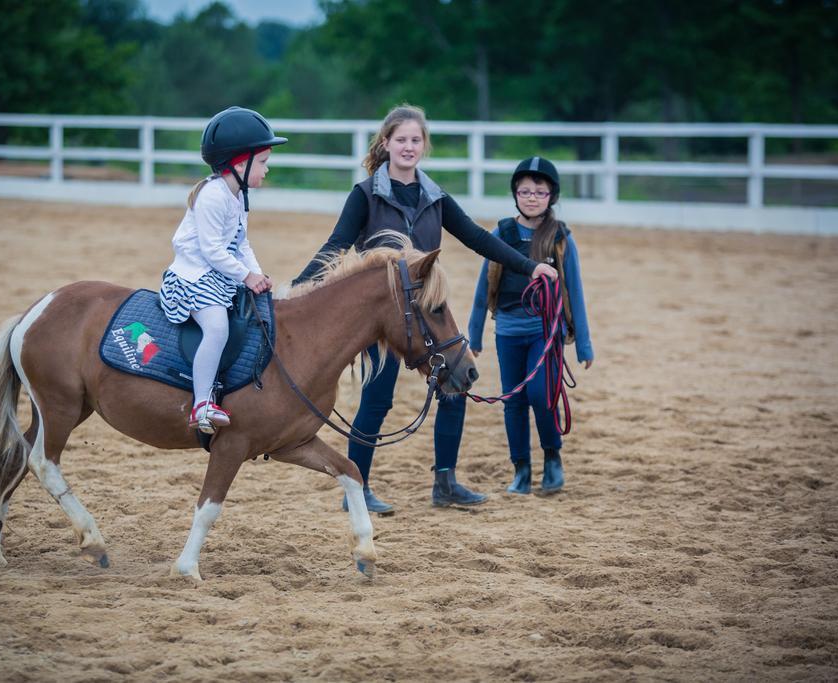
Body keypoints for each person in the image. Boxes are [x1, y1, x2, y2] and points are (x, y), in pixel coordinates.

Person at [292, 105, 557, 513]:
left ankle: (445, 482)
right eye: (401, 140)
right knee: (377, 399)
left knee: (455, 384)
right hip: (380, 316)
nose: (409, 147)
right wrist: (299, 288)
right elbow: (337, 244)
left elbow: (477, 239)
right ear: (386, 144)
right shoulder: (365, 194)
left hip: (427, 304)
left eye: (416, 140)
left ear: (424, 145)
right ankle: (357, 491)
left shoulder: (435, 197)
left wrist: (530, 264)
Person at [468, 157, 594, 495]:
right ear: (515, 194)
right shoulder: (502, 234)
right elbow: (483, 288)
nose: (532, 197)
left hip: (545, 331)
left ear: (551, 195)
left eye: (539, 191)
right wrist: (475, 335)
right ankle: (521, 469)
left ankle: (552, 458)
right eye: (525, 191)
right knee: (514, 401)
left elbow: (576, 291)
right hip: (507, 331)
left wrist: (583, 344)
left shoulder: (560, 237)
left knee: (542, 394)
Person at [159, 106, 286, 434]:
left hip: (217, 272)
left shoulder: (238, 195)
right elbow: (212, 250)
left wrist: (258, 274)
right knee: (216, 328)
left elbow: (241, 243)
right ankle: (201, 404)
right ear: (240, 163)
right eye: (263, 162)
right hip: (193, 276)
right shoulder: (213, 196)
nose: (267, 169)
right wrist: (246, 276)